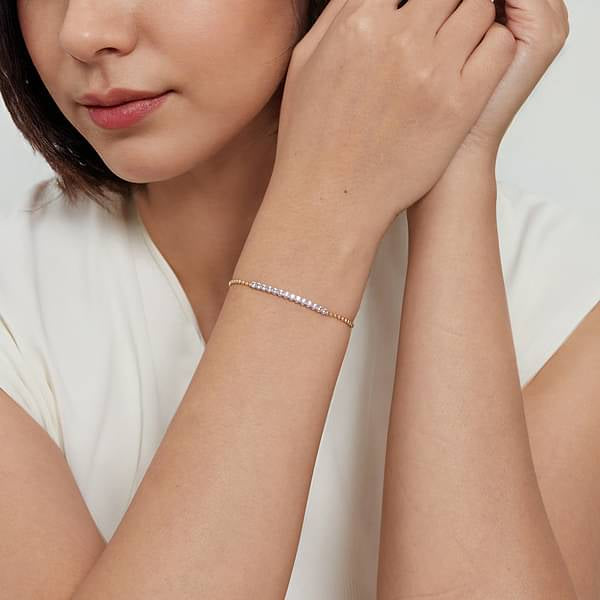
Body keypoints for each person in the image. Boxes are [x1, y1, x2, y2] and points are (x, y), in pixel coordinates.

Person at [0, 0, 598, 598]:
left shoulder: (562, 303)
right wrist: (322, 211)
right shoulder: (18, 306)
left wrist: (458, 160)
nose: (83, 32)